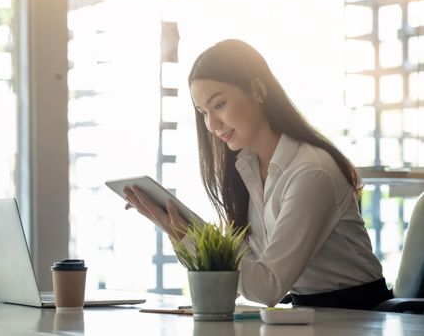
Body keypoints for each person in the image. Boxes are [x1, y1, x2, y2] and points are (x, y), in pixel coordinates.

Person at [123, 39, 391, 310]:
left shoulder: (311, 172)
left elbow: (267, 286)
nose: (212, 124)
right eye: (203, 112)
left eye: (219, 105)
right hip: (309, 317)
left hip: (359, 317)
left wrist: (190, 236)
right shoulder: (246, 169)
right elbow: (243, 279)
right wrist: (178, 232)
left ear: (258, 90)